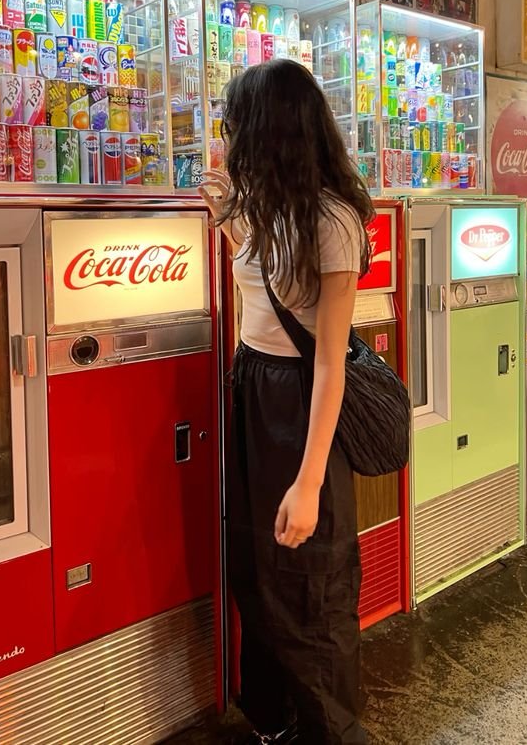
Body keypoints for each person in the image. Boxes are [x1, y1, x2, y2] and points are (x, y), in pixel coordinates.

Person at [200, 60, 374, 745]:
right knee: (255, 566)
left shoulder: (332, 221)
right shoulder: (267, 205)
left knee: (311, 585)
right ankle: (277, 721)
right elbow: (267, 286)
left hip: (301, 405)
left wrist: (307, 482)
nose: (229, 135)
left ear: (268, 130)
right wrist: (225, 220)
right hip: (253, 390)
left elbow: (329, 361)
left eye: (235, 121)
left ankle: (332, 729)